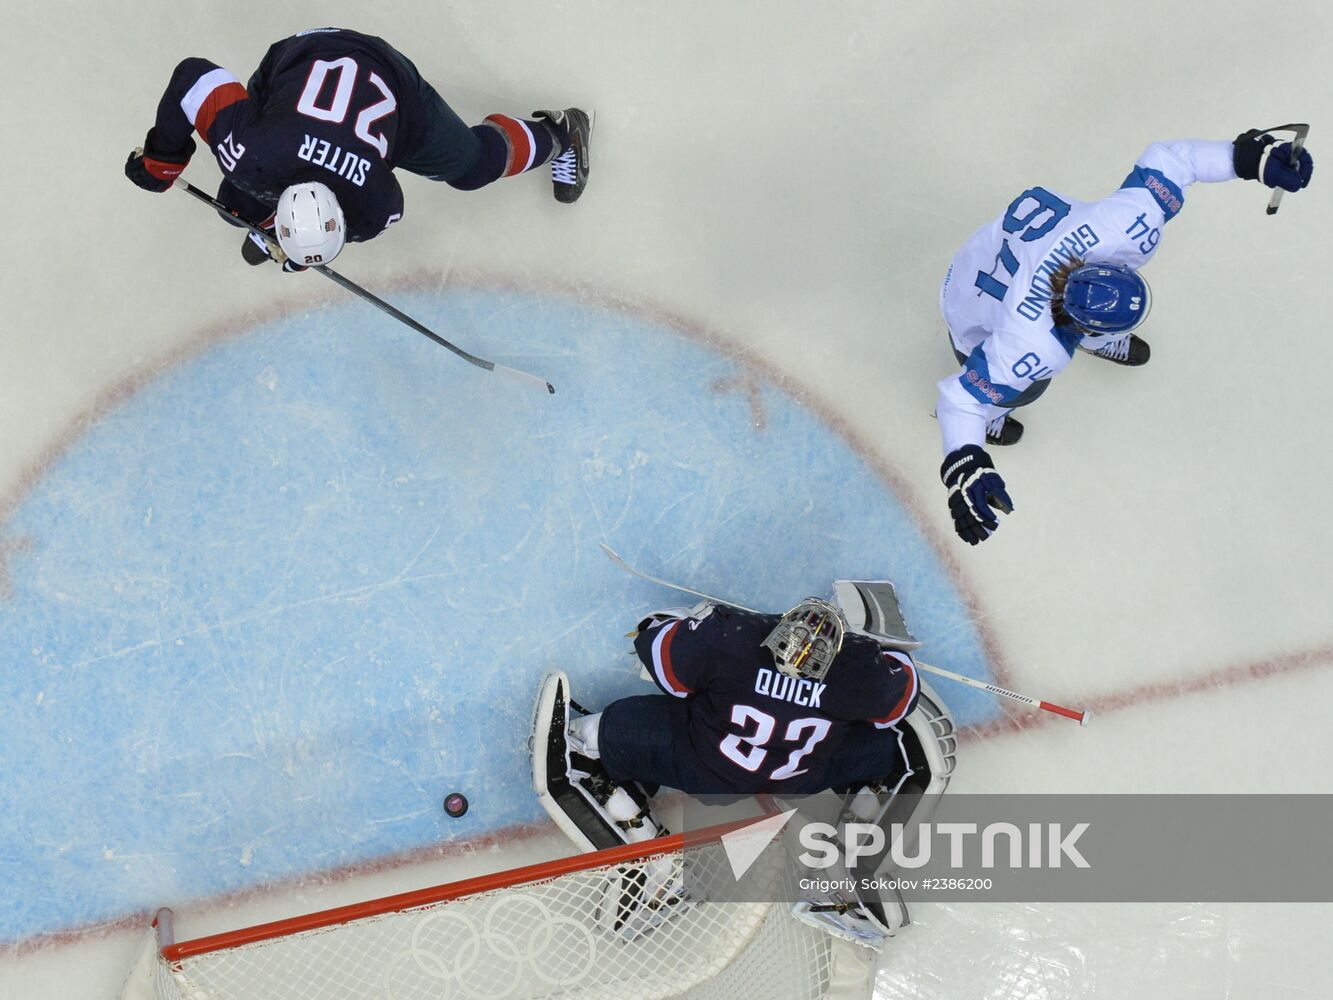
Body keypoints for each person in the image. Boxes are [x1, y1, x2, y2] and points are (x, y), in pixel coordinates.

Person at [935, 128, 1313, 545]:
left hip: (992, 257)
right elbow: (961, 398)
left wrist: (1248, 160)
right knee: (1017, 390)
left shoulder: (1125, 226)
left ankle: (1093, 344)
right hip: (972, 306)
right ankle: (997, 419)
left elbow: (1175, 160)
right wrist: (967, 459)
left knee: (1024, 370)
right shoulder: (1031, 345)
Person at [532, 587, 956, 949]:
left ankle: (650, 866)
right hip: (802, 775)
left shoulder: (732, 638)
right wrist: (871, 654)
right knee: (902, 749)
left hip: (703, 767)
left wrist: (687, 619)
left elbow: (654, 644)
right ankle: (851, 871)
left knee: (583, 741)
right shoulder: (855, 670)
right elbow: (901, 695)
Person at [124, 27, 591, 270]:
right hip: (302, 54)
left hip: (394, 93)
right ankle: (269, 221)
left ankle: (562, 133)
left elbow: (193, 77)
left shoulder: (374, 203)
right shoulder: (255, 155)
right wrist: (162, 161)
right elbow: (193, 77)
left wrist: (163, 159)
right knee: (238, 198)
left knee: (473, 166)